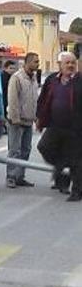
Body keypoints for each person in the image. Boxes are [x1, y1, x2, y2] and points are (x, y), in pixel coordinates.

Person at [36, 52, 82, 201]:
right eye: (67, 63)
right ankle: (61, 165)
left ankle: (76, 192)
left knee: (76, 160)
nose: (70, 65)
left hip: (75, 128)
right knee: (44, 147)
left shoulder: (80, 80)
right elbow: (43, 100)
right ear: (60, 65)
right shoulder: (51, 80)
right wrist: (40, 119)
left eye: (73, 63)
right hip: (55, 125)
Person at [5, 53, 39, 188]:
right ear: (28, 62)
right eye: (36, 62)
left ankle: (20, 176)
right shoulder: (17, 78)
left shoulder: (34, 78)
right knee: (14, 150)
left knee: (26, 149)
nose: (38, 64)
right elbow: (12, 99)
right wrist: (15, 118)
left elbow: (34, 99)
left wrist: (36, 117)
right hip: (17, 121)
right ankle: (11, 176)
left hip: (28, 120)